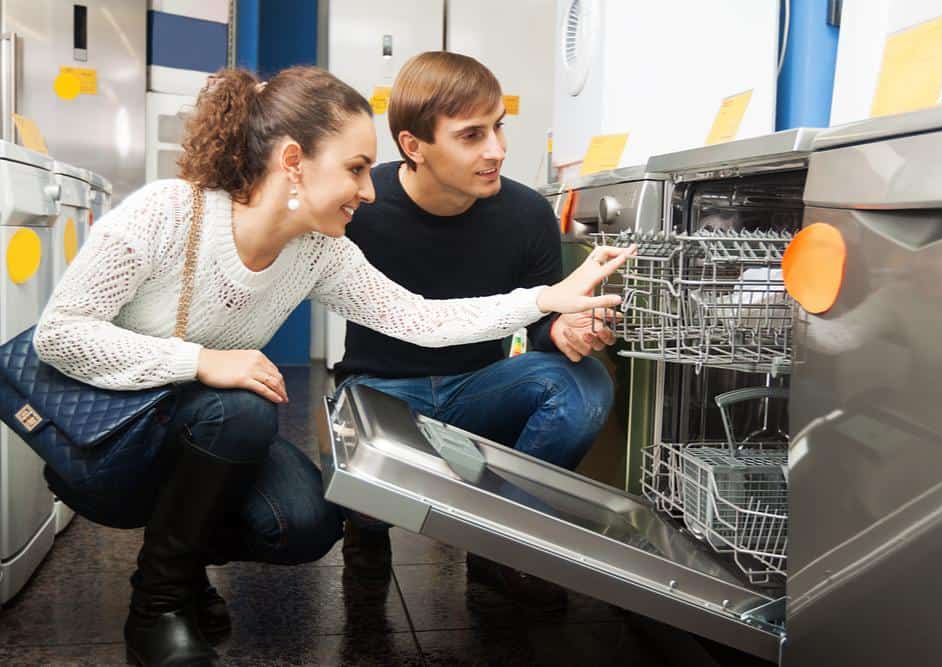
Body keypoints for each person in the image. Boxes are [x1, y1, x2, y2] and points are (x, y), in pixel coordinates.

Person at [32, 66, 630, 667]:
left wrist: (543, 300)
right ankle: (159, 603)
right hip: (112, 436)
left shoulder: (320, 251)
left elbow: (419, 320)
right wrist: (201, 360)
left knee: (308, 524)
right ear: (294, 160)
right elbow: (59, 334)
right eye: (355, 168)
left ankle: (181, 559)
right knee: (239, 410)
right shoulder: (167, 211)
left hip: (201, 433)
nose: (369, 190)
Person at [333, 52, 617, 607]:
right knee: (359, 491)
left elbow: (538, 328)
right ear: (414, 146)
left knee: (584, 388)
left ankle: (499, 541)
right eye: (471, 135)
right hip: (382, 390)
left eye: (498, 128)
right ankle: (365, 534)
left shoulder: (527, 214)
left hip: (476, 387)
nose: (497, 151)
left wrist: (562, 334)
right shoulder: (364, 207)